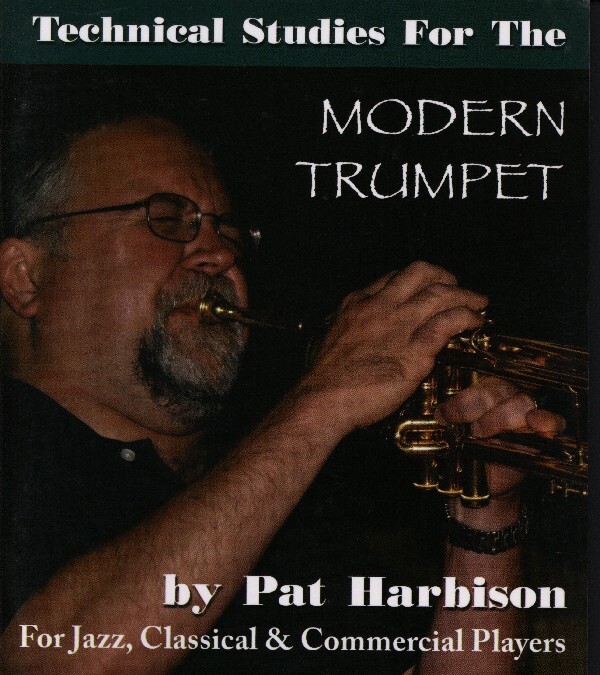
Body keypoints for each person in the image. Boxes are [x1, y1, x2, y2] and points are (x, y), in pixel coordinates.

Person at [0, 115, 564, 674]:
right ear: (25, 276)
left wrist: (485, 518)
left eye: (226, 231)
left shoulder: (279, 500)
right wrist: (327, 396)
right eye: (167, 219)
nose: (219, 254)